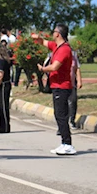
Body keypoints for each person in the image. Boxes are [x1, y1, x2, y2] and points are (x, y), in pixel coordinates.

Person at [34, 25, 76, 155]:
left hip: (62, 86)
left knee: (61, 115)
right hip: (56, 85)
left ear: (58, 34)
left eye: (54, 32)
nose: (52, 34)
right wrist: (37, 38)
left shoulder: (64, 49)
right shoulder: (56, 46)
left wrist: (42, 69)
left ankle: (68, 144)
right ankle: (64, 143)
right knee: (58, 115)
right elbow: (44, 42)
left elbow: (54, 67)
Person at [0, 42, 12, 133]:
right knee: (1, 106)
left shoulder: (1, 61)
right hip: (5, 84)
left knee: (3, 107)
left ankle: (5, 127)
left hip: (4, 84)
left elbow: (0, 75)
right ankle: (1, 126)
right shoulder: (4, 60)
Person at [68, 49, 83, 129]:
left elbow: (77, 68)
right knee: (62, 103)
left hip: (72, 83)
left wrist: (79, 81)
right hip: (61, 84)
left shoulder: (73, 54)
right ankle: (63, 123)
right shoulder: (56, 53)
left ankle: (71, 120)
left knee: (73, 101)